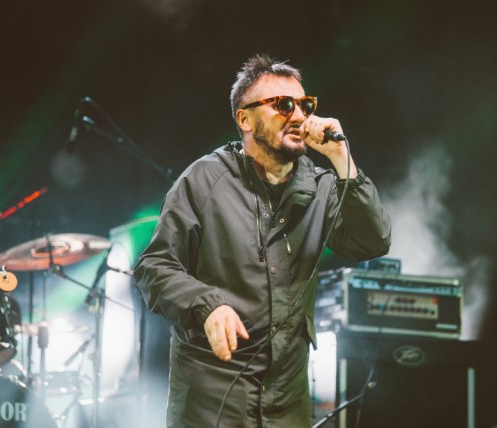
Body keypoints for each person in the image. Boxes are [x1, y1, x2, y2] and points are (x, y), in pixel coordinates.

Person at [134, 53, 391, 428]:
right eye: (283, 105)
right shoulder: (204, 180)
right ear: (245, 119)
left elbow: (373, 241)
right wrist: (206, 305)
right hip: (212, 406)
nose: (298, 116)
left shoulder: (321, 187)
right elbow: (153, 267)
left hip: (286, 407)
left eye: (305, 105)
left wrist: (342, 160)